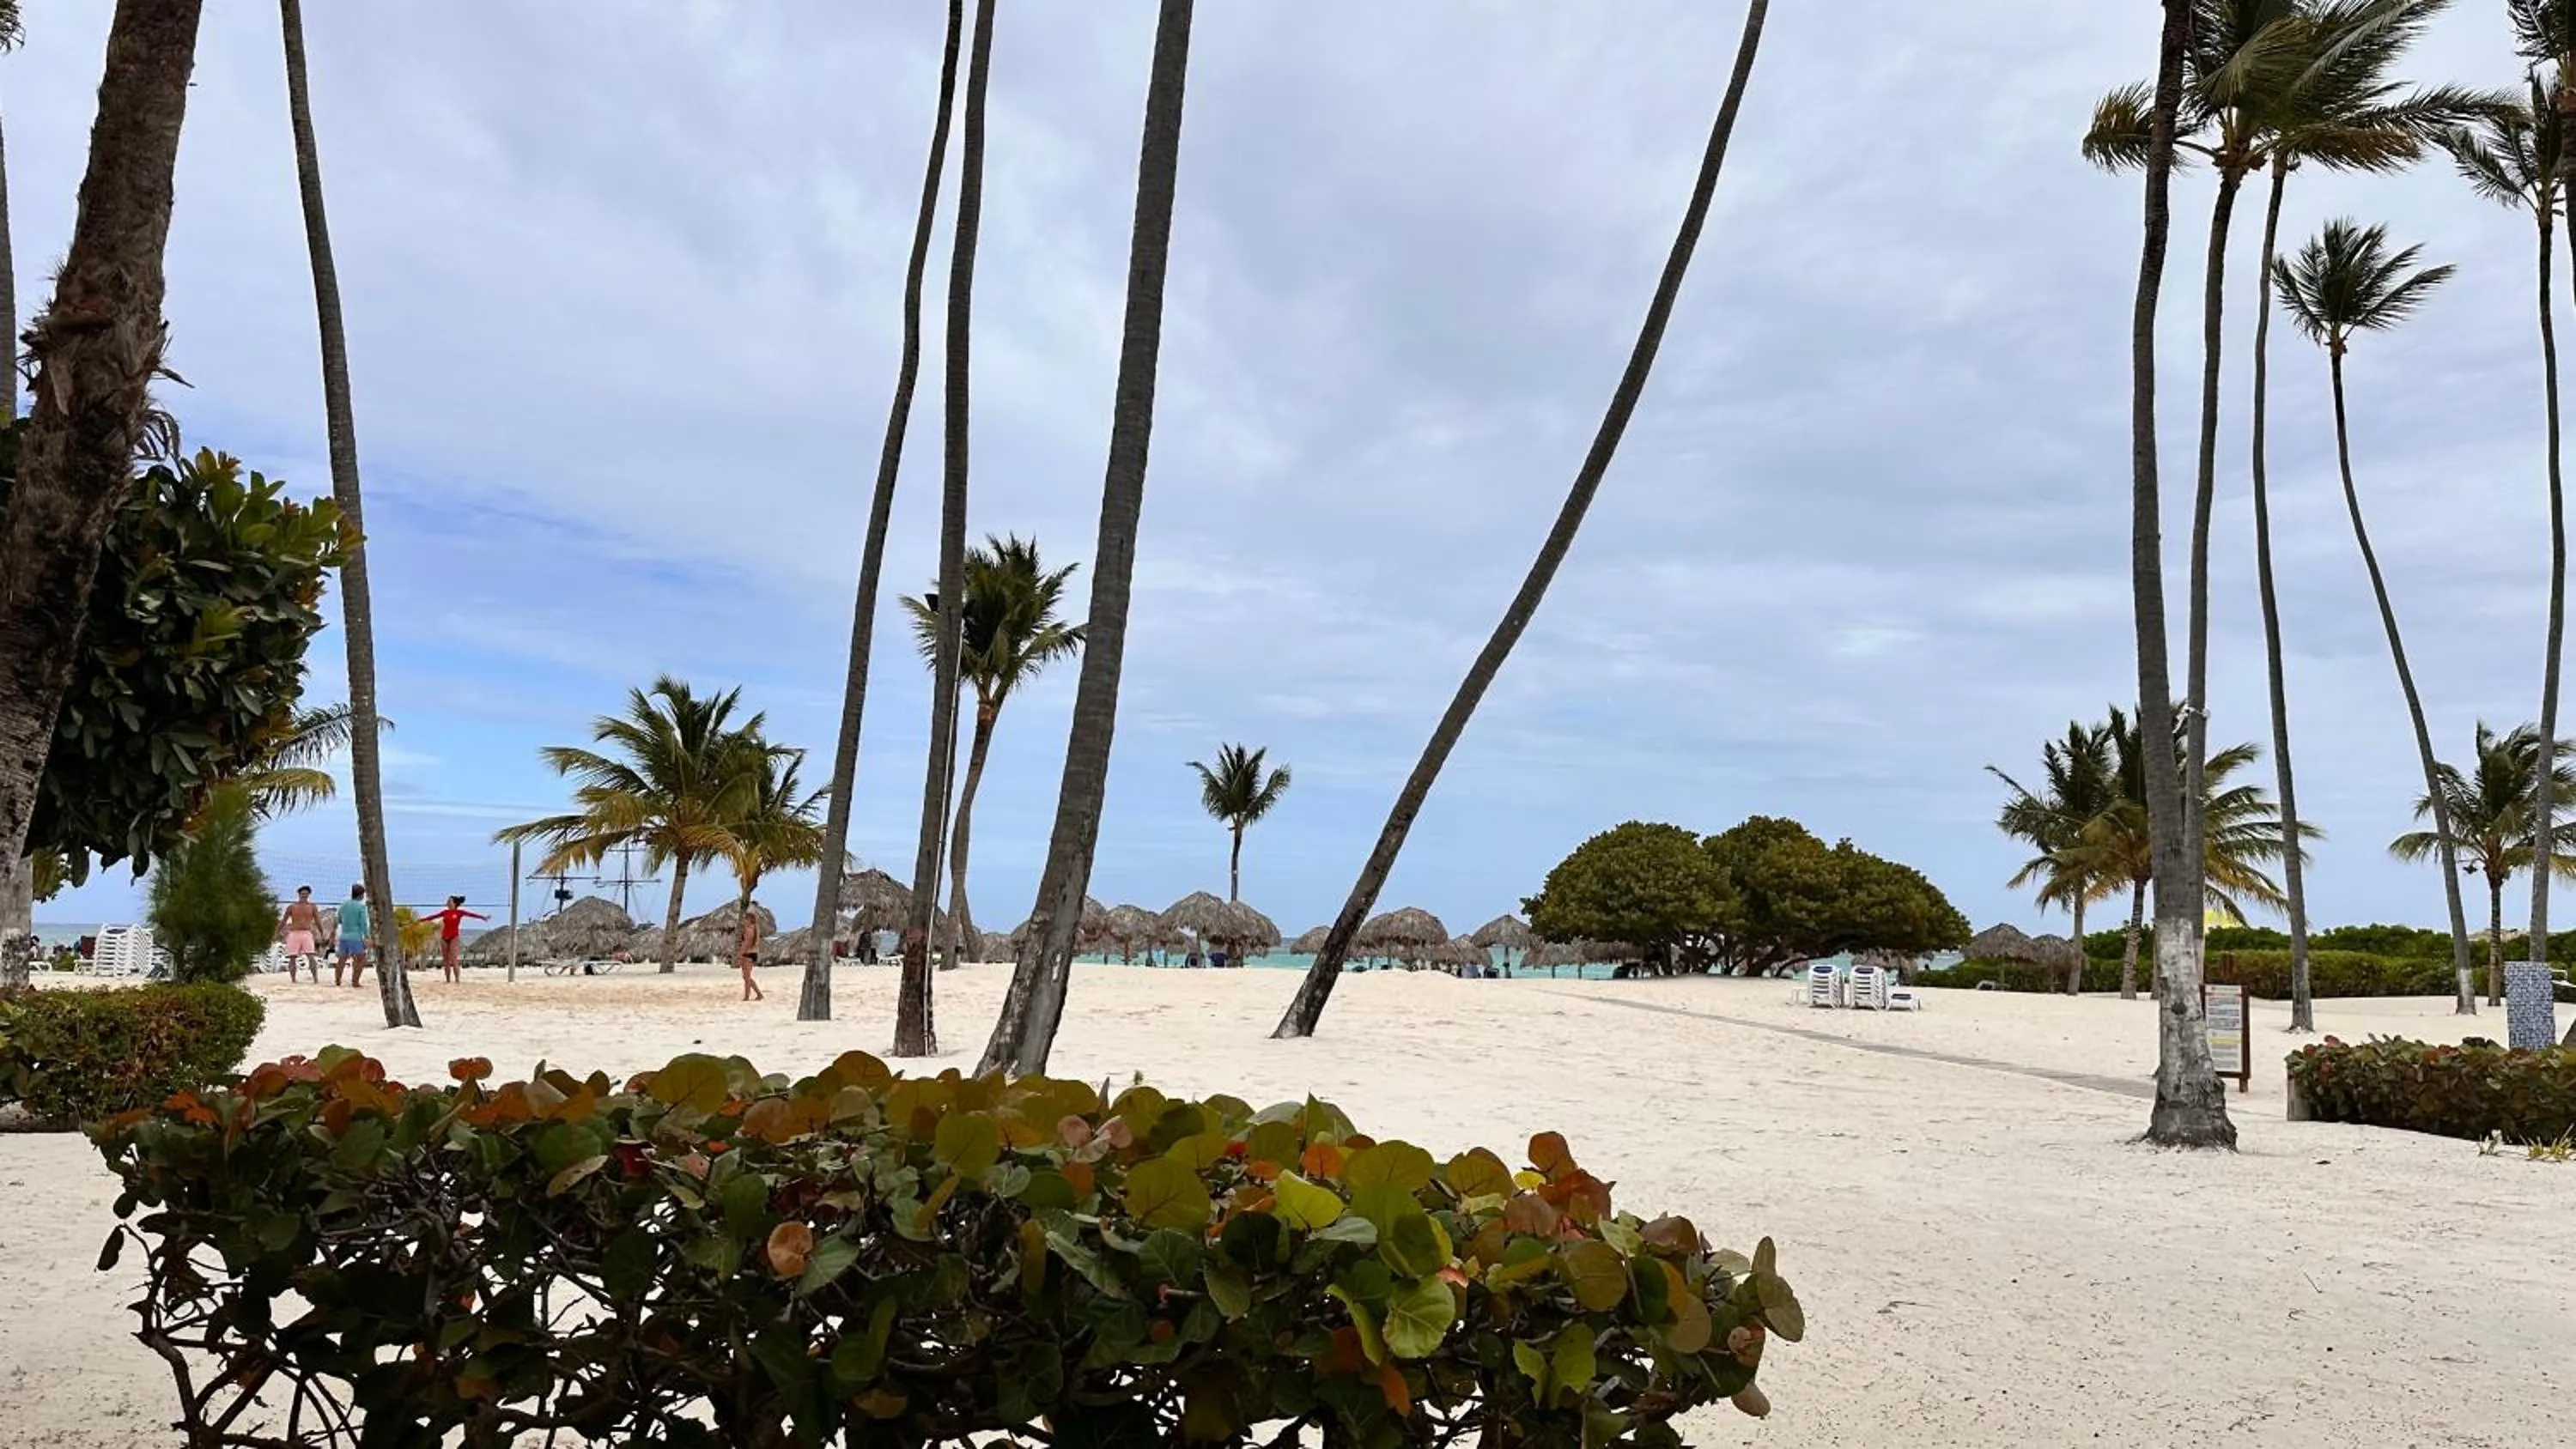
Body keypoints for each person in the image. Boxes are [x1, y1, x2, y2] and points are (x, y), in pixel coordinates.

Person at [427, 895, 488, 985]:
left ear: (454, 903)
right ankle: (448, 980)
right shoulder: (445, 912)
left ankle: (457, 980)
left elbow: (471, 915)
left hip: (454, 937)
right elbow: (433, 917)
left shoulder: (459, 912)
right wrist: (421, 920)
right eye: (447, 901)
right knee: (446, 960)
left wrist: (483, 917)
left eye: (449, 901)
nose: (447, 902)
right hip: (444, 937)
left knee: (454, 959)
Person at [275, 886, 321, 983]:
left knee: (311, 956)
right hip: (294, 933)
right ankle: (293, 979)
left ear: (309, 895)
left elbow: (318, 921)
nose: (304, 896)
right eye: (302, 894)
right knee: (292, 957)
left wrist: (321, 932)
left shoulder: (312, 907)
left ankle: (316, 978)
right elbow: (283, 921)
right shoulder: (292, 907)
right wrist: (277, 932)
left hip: (306, 933)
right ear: (299, 894)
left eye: (306, 894)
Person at [336, 884, 371, 989]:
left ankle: (338, 980)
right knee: (361, 959)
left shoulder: (344, 905)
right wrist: (367, 936)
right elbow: (363, 923)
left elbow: (339, 920)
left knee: (342, 959)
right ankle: (355, 982)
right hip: (355, 937)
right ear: (361, 895)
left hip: (344, 936)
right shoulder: (361, 907)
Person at [737, 908, 764, 1002]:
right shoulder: (755, 929)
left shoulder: (749, 930)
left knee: (747, 977)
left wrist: (739, 955)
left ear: (750, 920)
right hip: (752, 954)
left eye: (746, 919)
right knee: (746, 977)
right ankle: (759, 994)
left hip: (747, 954)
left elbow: (746, 944)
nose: (744, 921)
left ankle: (747, 996)